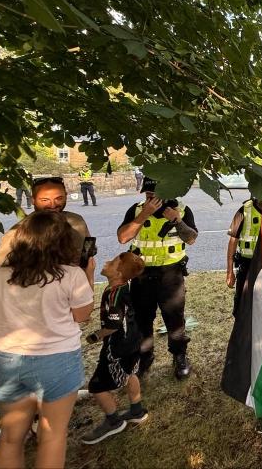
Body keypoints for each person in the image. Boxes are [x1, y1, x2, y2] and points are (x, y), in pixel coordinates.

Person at [0, 212, 95, 469]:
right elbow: (83, 314)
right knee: (52, 436)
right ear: (64, 242)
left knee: (10, 438)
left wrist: (3, 326)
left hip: (8, 362)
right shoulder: (70, 275)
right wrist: (88, 274)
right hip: (59, 361)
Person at [117, 176, 198, 380]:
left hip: (171, 274)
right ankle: (145, 356)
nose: (151, 199)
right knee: (142, 319)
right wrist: (144, 214)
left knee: (174, 319)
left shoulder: (182, 209)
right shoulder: (137, 210)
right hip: (141, 275)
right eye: (148, 194)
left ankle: (179, 356)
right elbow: (123, 237)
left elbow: (191, 239)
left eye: (156, 195)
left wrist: (177, 220)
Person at [81, 252, 149, 444]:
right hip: (133, 344)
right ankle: (136, 410)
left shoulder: (114, 295)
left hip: (118, 349)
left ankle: (113, 421)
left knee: (96, 386)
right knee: (130, 373)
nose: (106, 262)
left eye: (111, 262)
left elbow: (113, 325)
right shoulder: (122, 288)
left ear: (118, 273)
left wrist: (95, 336)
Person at [0, 176, 96, 284]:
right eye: (45, 200)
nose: (53, 205)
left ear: (66, 196)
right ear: (33, 200)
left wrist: (88, 282)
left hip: (76, 292)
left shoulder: (77, 221)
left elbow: (88, 255)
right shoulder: (17, 232)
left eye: (59, 198)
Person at [226, 195, 262, 317]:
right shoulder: (244, 210)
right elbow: (233, 240)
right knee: (241, 305)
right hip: (247, 264)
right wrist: (230, 271)